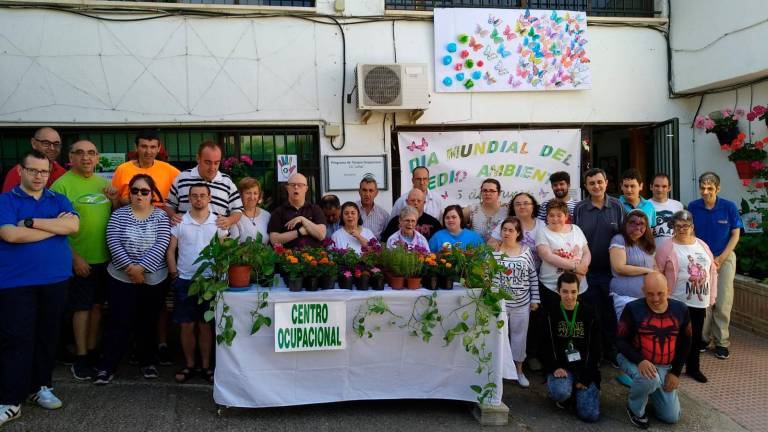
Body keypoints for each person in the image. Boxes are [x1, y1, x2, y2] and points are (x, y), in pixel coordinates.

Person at [0, 150, 79, 426]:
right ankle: (11, 400)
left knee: (47, 337)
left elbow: (73, 226)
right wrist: (55, 227)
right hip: (16, 282)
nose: (38, 176)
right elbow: (10, 234)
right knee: (16, 338)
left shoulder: (58, 198)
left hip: (55, 279)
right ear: (20, 171)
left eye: (44, 172)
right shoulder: (6, 200)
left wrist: (33, 223)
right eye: (33, 170)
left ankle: (40, 388)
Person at [50, 140, 120, 380]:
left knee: (97, 307)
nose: (86, 158)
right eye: (79, 153)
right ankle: (80, 357)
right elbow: (54, 228)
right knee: (81, 309)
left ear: (98, 158)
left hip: (105, 259)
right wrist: (75, 257)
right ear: (70, 157)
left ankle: (91, 352)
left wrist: (114, 199)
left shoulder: (104, 184)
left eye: (91, 153)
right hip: (80, 259)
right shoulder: (61, 186)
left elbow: (116, 215)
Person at [95, 174, 171, 384]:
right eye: (135, 191)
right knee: (118, 321)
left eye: (144, 191)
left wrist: (142, 268)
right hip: (120, 277)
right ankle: (107, 366)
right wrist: (131, 268)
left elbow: (162, 244)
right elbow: (113, 241)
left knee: (148, 321)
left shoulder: (161, 217)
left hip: (154, 278)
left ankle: (147, 362)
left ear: (152, 194)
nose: (139, 195)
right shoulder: (118, 215)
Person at [166, 184, 227, 384]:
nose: (198, 199)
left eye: (202, 195)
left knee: (205, 325)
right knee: (186, 325)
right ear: (189, 199)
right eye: (194, 196)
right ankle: (189, 365)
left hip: (209, 282)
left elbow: (225, 251)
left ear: (209, 198)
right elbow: (170, 250)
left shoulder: (218, 222)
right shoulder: (180, 221)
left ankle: (206, 366)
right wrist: (174, 273)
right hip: (185, 280)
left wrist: (220, 276)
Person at [616, 272, 691, 429]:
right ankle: (634, 408)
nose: (655, 299)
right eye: (650, 294)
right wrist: (640, 360)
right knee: (650, 379)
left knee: (671, 417)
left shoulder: (681, 309)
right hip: (634, 359)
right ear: (643, 291)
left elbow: (686, 342)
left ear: (668, 290)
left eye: (660, 293)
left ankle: (647, 390)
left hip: (665, 366)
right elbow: (620, 341)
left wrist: (676, 372)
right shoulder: (632, 309)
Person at [655, 210, 718, 383]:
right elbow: (657, 272)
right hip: (676, 300)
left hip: (699, 299)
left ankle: (693, 368)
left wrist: (712, 297)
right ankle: (672, 368)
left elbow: (712, 270)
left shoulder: (702, 245)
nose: (682, 229)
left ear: (692, 226)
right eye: (678, 226)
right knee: (676, 335)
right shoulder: (667, 247)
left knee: (695, 336)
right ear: (673, 227)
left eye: (686, 225)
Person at [573, 167, 625, 366]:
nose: (596, 186)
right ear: (586, 186)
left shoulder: (617, 206)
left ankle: (611, 353)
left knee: (610, 314)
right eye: (592, 183)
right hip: (586, 272)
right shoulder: (579, 208)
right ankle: (593, 352)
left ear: (606, 183)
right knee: (590, 313)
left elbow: (622, 237)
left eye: (599, 182)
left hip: (612, 272)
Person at [688, 171, 742, 360]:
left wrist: (720, 258)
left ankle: (722, 342)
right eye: (702, 187)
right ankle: (703, 339)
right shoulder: (693, 207)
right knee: (703, 300)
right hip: (701, 260)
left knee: (723, 300)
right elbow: (689, 233)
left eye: (710, 188)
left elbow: (735, 234)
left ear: (718, 189)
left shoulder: (729, 207)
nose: (705, 191)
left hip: (724, 258)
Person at [540, 272, 601, 423]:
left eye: (573, 292)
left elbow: (597, 348)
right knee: (561, 392)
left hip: (584, 368)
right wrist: (554, 367)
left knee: (590, 415)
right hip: (562, 368)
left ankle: (579, 392)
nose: (569, 296)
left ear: (578, 291)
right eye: (565, 291)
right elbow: (544, 345)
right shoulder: (550, 313)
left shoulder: (589, 312)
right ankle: (568, 394)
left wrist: (587, 376)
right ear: (558, 291)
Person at [493, 217, 539, 388]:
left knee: (519, 339)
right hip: (499, 305)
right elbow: (487, 278)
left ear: (518, 233)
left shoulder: (525, 251)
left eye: (511, 230)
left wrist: (535, 299)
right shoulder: (493, 251)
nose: (507, 233)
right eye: (504, 229)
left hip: (521, 304)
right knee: (499, 339)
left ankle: (519, 371)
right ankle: (498, 373)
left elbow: (533, 276)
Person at [167, 141, 242, 229]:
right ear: (198, 158)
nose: (212, 168)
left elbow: (237, 210)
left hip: (217, 240)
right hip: (186, 238)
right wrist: (173, 216)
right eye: (208, 162)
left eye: (216, 163)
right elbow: (169, 205)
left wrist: (229, 220)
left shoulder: (227, 182)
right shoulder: (181, 178)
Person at [536, 200, 591, 307]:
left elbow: (586, 252)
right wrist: (575, 267)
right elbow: (547, 256)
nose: (555, 219)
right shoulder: (542, 232)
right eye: (551, 215)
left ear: (566, 216)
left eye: (559, 215)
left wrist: (582, 268)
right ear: (546, 217)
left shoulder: (576, 229)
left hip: (578, 286)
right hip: (551, 287)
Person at [609, 210, 657, 325]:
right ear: (625, 224)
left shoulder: (647, 244)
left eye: (642, 224)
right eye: (632, 223)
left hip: (648, 298)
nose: (637, 226)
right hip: (626, 297)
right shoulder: (619, 239)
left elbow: (655, 268)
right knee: (628, 333)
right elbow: (619, 267)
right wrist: (647, 271)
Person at [111, 130, 180, 207]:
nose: (148, 151)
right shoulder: (122, 170)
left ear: (158, 148)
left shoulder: (169, 170)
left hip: (161, 217)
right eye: (144, 146)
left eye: (153, 147)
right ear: (136, 147)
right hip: (130, 217)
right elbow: (115, 201)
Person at [268, 173, 326, 248]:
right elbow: (274, 240)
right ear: (287, 188)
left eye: (300, 185)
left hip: (314, 257)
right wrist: (299, 232)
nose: (296, 187)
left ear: (306, 189)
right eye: (292, 185)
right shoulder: (279, 211)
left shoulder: (315, 209)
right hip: (287, 257)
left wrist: (303, 220)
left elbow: (321, 235)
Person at [2, 127, 67, 193]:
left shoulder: (62, 172)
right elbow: (8, 201)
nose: (52, 148)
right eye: (46, 143)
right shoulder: (19, 172)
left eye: (56, 144)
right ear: (34, 143)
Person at [488, 192, 542, 260]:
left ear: (533, 206)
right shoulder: (506, 222)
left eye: (526, 203)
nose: (522, 207)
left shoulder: (542, 225)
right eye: (518, 204)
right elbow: (491, 242)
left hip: (535, 269)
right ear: (513, 207)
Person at [229, 177, 270, 244]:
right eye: (248, 193)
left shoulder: (266, 215)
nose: (252, 197)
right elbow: (234, 245)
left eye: (255, 193)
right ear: (240, 195)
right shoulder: (235, 216)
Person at [649, 173, 683, 247]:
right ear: (651, 187)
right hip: (651, 253)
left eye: (664, 186)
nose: (660, 190)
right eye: (657, 186)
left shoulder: (678, 205)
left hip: (674, 252)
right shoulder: (644, 205)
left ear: (669, 188)